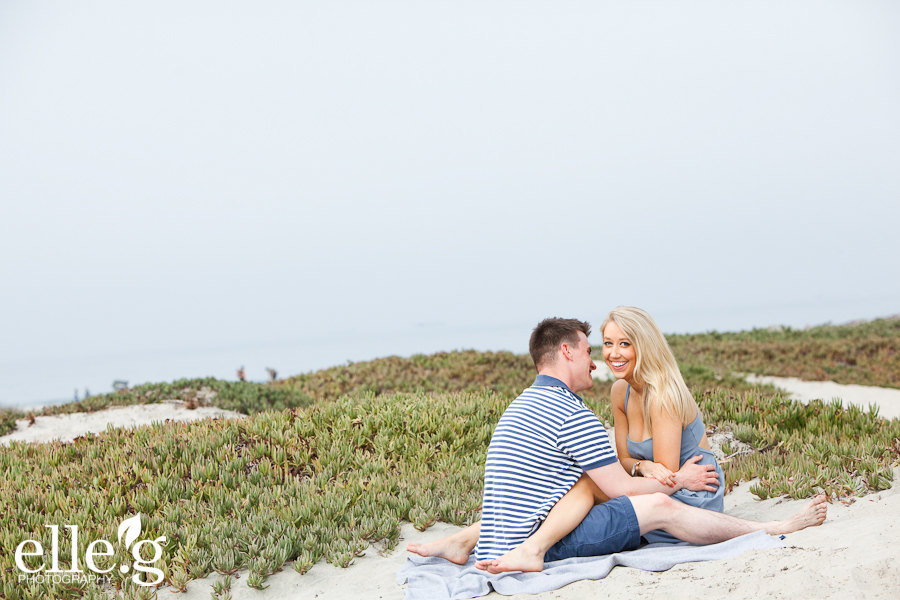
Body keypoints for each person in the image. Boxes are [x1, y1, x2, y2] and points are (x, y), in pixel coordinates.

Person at [407, 317, 826, 573]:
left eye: (616, 345)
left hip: (508, 534)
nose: (598, 360)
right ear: (567, 351)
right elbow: (621, 486)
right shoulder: (570, 411)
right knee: (650, 504)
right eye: (594, 349)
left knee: (591, 484)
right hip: (544, 541)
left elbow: (609, 478)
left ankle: (463, 540)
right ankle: (773, 528)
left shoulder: (524, 402)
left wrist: (655, 473)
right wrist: (675, 479)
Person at [603, 306, 724, 543]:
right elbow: (625, 461)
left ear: (644, 346)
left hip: (692, 496)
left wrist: (639, 472)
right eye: (608, 343)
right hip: (660, 489)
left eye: (625, 344)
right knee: (592, 485)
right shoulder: (620, 392)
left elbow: (665, 477)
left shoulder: (662, 395)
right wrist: (643, 466)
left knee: (595, 490)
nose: (614, 353)